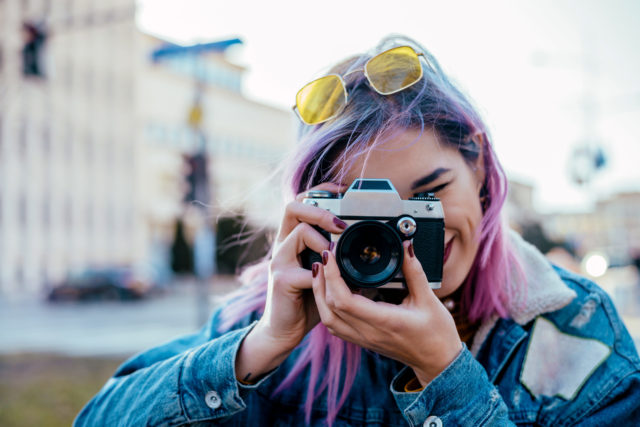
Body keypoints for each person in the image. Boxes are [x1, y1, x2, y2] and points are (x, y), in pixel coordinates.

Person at [75, 35, 640, 426]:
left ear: (483, 176)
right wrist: (262, 344)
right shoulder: (275, 318)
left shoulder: (571, 335)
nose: (398, 239)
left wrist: (447, 375)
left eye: (427, 197)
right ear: (315, 213)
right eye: (366, 216)